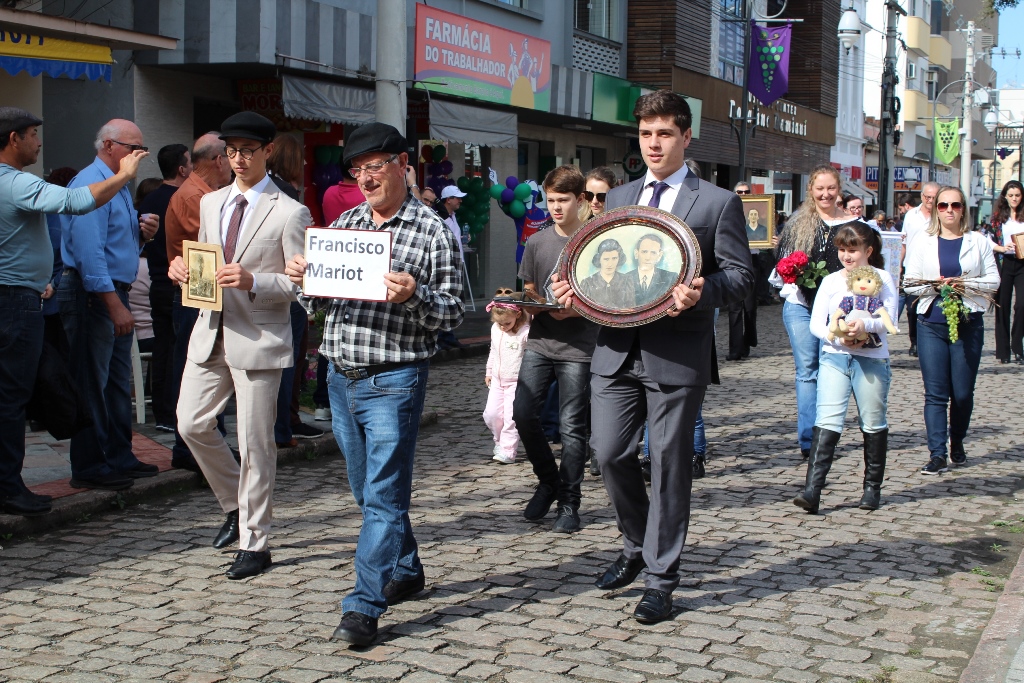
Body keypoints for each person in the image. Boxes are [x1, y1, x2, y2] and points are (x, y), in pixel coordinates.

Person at [552, 90, 752, 624]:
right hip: (615, 351)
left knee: (667, 465)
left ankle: (661, 579)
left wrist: (702, 290)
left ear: (686, 137)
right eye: (645, 134)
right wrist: (571, 290)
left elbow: (741, 279)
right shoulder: (616, 200)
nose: (654, 143)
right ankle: (637, 544)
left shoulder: (715, 202)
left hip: (677, 354)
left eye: (664, 134)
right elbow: (596, 268)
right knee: (609, 454)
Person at [284, 122, 463, 647]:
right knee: (366, 491)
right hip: (341, 377)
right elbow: (320, 304)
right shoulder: (346, 223)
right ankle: (406, 568)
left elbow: (452, 313)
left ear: (403, 165)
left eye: (374, 166)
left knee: (383, 495)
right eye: (357, 170)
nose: (364, 178)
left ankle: (363, 605)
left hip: (395, 379)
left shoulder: (431, 230)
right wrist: (303, 282)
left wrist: (413, 296)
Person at [170, 112, 311, 580]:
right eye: (231, 151)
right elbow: (204, 266)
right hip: (210, 330)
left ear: (267, 151)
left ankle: (256, 541)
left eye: (248, 150)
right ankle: (235, 504)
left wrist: (256, 280)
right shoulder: (211, 203)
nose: (239, 159)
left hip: (260, 335)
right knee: (190, 423)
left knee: (255, 443)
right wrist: (184, 273)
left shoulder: (290, 211)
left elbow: (300, 284)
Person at [0, 108, 147, 516]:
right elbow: (73, 207)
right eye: (32, 134)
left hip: (25, 295)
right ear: (13, 139)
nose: (38, 141)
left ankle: (110, 457)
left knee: (96, 384)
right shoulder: (16, 181)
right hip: (23, 300)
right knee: (18, 395)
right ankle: (18, 484)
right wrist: (122, 177)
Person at [59, 119, 161, 491]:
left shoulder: (117, 185)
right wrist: (112, 302)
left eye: (141, 149)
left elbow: (116, 247)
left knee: (117, 381)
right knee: (91, 381)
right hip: (94, 294)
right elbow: (88, 253)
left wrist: (142, 235)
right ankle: (89, 463)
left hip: (111, 291)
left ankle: (118, 454)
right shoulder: (93, 182)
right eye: (133, 149)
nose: (139, 156)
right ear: (108, 146)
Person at [512, 164, 598, 537]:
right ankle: (547, 479)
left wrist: (577, 307)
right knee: (522, 413)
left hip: (580, 345)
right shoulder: (538, 241)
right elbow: (530, 286)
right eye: (550, 201)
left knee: (571, 427)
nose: (556, 208)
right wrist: (530, 303)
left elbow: (610, 291)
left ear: (581, 199)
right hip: (541, 339)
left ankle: (569, 501)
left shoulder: (595, 239)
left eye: (563, 200)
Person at [794, 222, 897, 513]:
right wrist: (835, 333)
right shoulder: (831, 281)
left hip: (872, 358)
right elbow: (816, 323)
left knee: (873, 421)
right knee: (827, 419)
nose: (847, 256)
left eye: (853, 250)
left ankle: (871, 489)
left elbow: (891, 319)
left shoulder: (883, 278)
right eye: (842, 250)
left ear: (868, 251)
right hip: (835, 356)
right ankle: (812, 490)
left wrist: (866, 324)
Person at [904, 186, 999, 474]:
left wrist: (965, 285)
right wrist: (934, 284)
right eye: (943, 205)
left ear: (963, 209)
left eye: (955, 205)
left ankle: (957, 439)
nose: (948, 210)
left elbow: (993, 280)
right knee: (935, 393)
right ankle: (937, 453)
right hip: (931, 322)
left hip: (968, 323)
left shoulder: (979, 241)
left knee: (962, 393)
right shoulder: (923, 240)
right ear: (935, 209)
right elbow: (910, 281)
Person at [164, 132, 232, 473]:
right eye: (230, 156)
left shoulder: (206, 193)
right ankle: (189, 447)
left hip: (205, 293)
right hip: (195, 295)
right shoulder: (195, 196)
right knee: (194, 369)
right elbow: (217, 245)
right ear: (218, 160)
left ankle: (205, 440)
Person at [773, 165, 849, 459]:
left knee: (834, 371)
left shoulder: (854, 224)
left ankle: (827, 432)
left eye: (831, 188)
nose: (825, 194)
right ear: (811, 191)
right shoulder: (797, 223)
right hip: (801, 305)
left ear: (838, 190)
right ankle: (809, 440)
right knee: (807, 372)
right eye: (820, 188)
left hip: (838, 310)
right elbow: (782, 263)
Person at [267, 134, 325, 446]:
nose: (304, 165)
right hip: (289, 289)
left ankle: (282, 423)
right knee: (288, 359)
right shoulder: (289, 198)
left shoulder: (265, 191)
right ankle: (283, 426)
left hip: (264, 290)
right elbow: (300, 251)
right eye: (300, 159)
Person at [138, 144, 191, 431]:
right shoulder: (182, 198)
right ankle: (172, 413)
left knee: (162, 349)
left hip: (155, 280)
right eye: (190, 163)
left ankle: (161, 412)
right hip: (175, 281)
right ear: (182, 169)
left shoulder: (149, 199)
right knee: (177, 350)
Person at [483, 296, 530, 464]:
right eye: (499, 323)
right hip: (497, 379)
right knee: (491, 414)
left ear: (517, 315)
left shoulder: (525, 332)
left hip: (516, 382)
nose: (503, 327)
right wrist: (489, 371)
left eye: (507, 324)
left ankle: (509, 451)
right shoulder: (496, 329)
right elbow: (493, 351)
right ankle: (499, 442)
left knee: (511, 417)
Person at [900, 182, 939, 357]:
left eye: (934, 197)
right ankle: (914, 341)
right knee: (912, 308)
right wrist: (898, 265)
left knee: (931, 305)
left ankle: (928, 340)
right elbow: (903, 242)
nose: (930, 201)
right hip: (912, 267)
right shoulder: (911, 215)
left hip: (933, 268)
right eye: (927, 197)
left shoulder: (941, 214)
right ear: (922, 196)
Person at [991, 180, 1024, 364]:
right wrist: (1002, 248)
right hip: (1005, 263)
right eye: (1011, 195)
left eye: (1017, 195)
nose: (1014, 199)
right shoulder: (998, 218)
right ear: (1005, 196)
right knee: (1001, 306)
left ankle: (1017, 346)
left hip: (1022, 263)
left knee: (1022, 306)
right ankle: (1003, 351)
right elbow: (989, 240)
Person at [435, 185, 468, 350]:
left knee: (455, 300)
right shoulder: (440, 217)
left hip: (457, 262)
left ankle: (448, 335)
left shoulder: (453, 216)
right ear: (448, 199)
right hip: (447, 263)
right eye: (457, 198)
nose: (460, 200)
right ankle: (443, 336)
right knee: (447, 298)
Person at [578, 238, 635, 309]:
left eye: (614, 258)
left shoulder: (627, 280)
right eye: (606, 259)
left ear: (619, 258)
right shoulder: (587, 283)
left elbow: (631, 309)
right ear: (599, 259)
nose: (610, 264)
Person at [626, 233, 677, 307]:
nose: (648, 257)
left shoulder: (671, 278)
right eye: (644, 252)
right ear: (636, 253)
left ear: (659, 256)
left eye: (653, 253)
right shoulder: (624, 279)